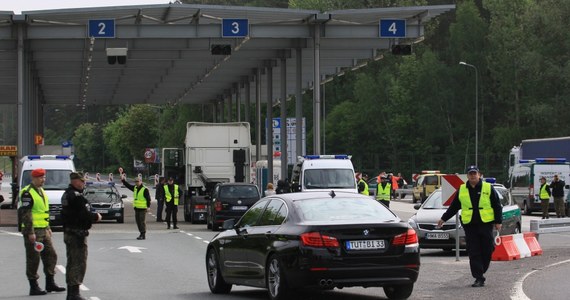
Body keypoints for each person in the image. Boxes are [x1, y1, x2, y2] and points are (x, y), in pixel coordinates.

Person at [437, 165, 502, 288]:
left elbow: (497, 205)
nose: (473, 176)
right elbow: (454, 207)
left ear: (479, 175)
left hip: (485, 224)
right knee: (474, 251)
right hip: (470, 225)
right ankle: (478, 277)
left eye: (475, 173)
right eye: (470, 174)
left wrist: (498, 221)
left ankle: (481, 269)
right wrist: (443, 218)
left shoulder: (488, 188)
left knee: (488, 249)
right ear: (467, 176)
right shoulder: (462, 189)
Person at [17, 168, 66, 295]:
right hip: (34, 231)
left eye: (44, 177)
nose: (43, 180)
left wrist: (48, 227)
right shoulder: (27, 192)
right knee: (33, 259)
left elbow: (44, 211)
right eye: (40, 177)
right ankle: (33, 286)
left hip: (43, 229)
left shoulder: (41, 191)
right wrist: (30, 232)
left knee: (51, 255)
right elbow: (26, 213)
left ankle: (50, 282)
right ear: (33, 178)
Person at [61, 172, 101, 300]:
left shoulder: (67, 194)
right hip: (76, 233)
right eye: (82, 181)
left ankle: (71, 292)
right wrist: (96, 216)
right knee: (78, 263)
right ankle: (74, 293)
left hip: (70, 232)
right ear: (75, 181)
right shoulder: (76, 196)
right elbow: (82, 214)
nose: (84, 183)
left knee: (72, 262)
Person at [120, 168, 151, 239]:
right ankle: (141, 233)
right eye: (135, 182)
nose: (136, 183)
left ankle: (143, 234)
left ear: (141, 181)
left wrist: (148, 207)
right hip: (136, 208)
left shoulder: (145, 189)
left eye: (137, 181)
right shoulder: (135, 188)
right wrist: (123, 179)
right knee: (138, 221)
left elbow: (148, 199)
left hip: (143, 208)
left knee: (142, 221)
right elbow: (128, 185)